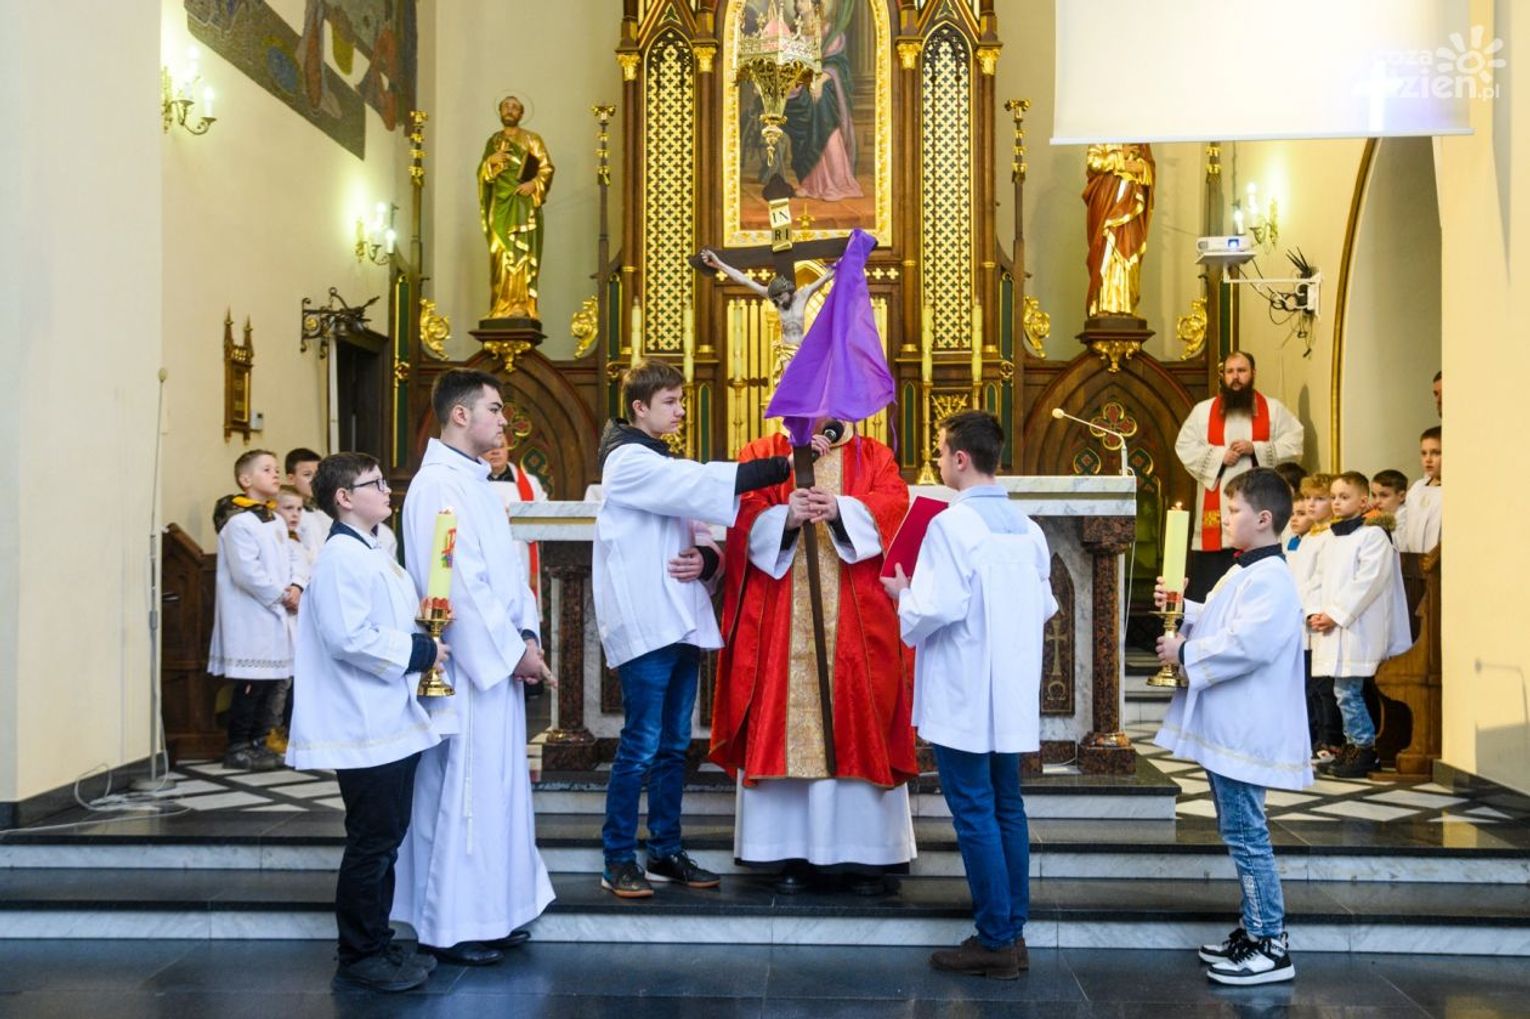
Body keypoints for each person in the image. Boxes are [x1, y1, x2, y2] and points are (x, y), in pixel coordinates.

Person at [593, 359, 792, 899]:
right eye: (671, 402)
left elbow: (701, 530)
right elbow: (701, 484)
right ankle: (617, 858)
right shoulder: (627, 461)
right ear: (639, 407)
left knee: (674, 745)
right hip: (647, 623)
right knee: (640, 744)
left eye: (682, 401)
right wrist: (783, 465)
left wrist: (706, 560)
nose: (681, 411)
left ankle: (664, 850)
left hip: (679, 620)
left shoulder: (659, 458)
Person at [882, 411, 1055, 981]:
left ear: (960, 458)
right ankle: (1013, 931)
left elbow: (937, 608)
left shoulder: (951, 526)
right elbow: (1045, 606)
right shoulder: (1028, 529)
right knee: (1007, 806)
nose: (937, 461)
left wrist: (902, 593)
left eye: (939, 452)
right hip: (1009, 691)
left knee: (975, 810)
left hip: (963, 690)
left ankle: (996, 938)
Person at [712, 418, 917, 895]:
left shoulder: (874, 456)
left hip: (857, 617)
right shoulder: (764, 453)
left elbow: (895, 506)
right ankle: (788, 851)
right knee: (782, 718)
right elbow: (742, 515)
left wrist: (843, 509)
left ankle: (867, 856)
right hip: (782, 617)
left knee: (859, 716)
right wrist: (785, 517)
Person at [392, 369, 554, 967]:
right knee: (461, 796)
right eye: (495, 408)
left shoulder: (478, 482)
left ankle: (492, 913)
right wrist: (513, 653)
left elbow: (508, 574)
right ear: (460, 415)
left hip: (496, 665)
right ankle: (450, 926)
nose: (505, 420)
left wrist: (527, 634)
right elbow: (457, 583)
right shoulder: (439, 484)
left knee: (494, 795)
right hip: (462, 670)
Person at [287, 452, 444, 993]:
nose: (386, 490)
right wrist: (421, 652)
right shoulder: (340, 557)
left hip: (386, 717)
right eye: (375, 483)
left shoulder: (372, 550)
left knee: (385, 839)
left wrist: (422, 632)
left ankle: (377, 940)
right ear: (344, 498)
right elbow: (348, 637)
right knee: (371, 842)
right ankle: (358, 954)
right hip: (362, 722)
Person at [1153, 468, 1312, 986]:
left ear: (1263, 518)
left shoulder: (1272, 579)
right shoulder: (1246, 570)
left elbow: (1249, 644)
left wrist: (1185, 651)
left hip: (1247, 728)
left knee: (1247, 835)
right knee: (1238, 830)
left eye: (1234, 510)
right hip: (1232, 726)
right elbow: (1223, 619)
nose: (1224, 518)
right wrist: (1182, 609)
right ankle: (1253, 929)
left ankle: (1270, 944)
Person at [1304, 471, 1410, 778]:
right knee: (1342, 691)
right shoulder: (1330, 538)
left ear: (1364, 502)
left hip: (1357, 628)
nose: (1336, 502)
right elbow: (1316, 580)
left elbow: (1368, 582)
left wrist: (1335, 614)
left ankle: (1364, 749)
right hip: (1332, 626)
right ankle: (1353, 747)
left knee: (1348, 691)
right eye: (1333, 497)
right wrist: (1314, 612)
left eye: (1344, 497)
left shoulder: (1373, 536)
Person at [1175, 352, 1305, 600]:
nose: (1235, 377)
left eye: (1242, 371)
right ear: (1223, 376)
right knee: (1210, 589)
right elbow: (1184, 446)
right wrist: (1219, 456)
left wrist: (1256, 448)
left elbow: (1295, 443)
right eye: (1230, 371)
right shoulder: (1203, 411)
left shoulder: (1274, 410)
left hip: (1259, 508)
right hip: (1214, 520)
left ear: (1253, 373)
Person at [208, 450, 303, 772]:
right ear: (245, 479)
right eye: (267, 469)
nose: (275, 474)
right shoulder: (238, 523)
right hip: (251, 616)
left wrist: (297, 586)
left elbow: (294, 556)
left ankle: (261, 741)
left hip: (277, 613)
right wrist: (280, 595)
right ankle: (238, 746)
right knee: (251, 684)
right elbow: (246, 572)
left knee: (272, 684)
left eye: (276, 469)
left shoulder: (275, 519)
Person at [479, 95, 554, 321]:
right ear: (500, 111)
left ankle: (521, 305)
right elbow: (483, 176)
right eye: (506, 106)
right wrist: (490, 162)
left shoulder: (532, 139)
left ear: (521, 113)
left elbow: (546, 168)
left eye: (514, 107)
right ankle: (500, 306)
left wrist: (534, 184)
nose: (509, 110)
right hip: (500, 206)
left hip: (523, 204)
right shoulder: (493, 141)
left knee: (521, 253)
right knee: (500, 253)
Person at [782, 0, 863, 202]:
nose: (799, 5)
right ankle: (809, 184)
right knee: (795, 104)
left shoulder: (829, 31)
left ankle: (836, 182)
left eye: (803, 1)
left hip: (825, 86)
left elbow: (837, 64)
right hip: (800, 87)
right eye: (797, 1)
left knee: (822, 103)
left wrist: (819, 80)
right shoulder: (793, 31)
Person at [697, 248, 834, 350]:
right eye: (776, 299)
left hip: (802, 349)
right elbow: (743, 279)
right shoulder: (776, 300)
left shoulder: (803, 295)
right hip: (786, 350)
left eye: (781, 297)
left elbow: (828, 276)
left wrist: (844, 259)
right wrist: (718, 264)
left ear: (788, 290)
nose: (779, 302)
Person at [265, 485, 314, 756]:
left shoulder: (297, 541)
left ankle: (288, 728)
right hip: (277, 613)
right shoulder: (271, 538)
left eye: (299, 509)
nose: (295, 514)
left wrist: (298, 586)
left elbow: (302, 569)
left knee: (295, 679)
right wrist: (288, 593)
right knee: (278, 682)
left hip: (298, 614)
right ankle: (270, 731)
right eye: (288, 508)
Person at [484, 429, 548, 599]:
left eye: (500, 446)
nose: (495, 451)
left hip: (519, 555)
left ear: (508, 449)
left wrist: (518, 516)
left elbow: (545, 518)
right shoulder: (472, 483)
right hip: (484, 556)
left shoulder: (530, 484)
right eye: (490, 447)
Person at [1395, 428, 1441, 554]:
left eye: (1436, 453)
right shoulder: (1416, 488)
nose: (1428, 459)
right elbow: (1404, 525)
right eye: (1424, 453)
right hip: (1413, 559)